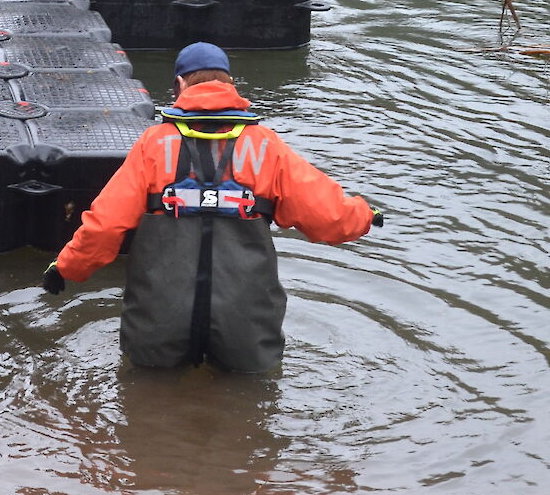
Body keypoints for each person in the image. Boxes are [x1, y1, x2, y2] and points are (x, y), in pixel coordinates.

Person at [41, 41, 381, 373]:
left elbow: (105, 226)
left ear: (179, 85)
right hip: (244, 325)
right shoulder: (266, 146)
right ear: (230, 83)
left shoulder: (153, 145)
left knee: (150, 400)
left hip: (160, 320)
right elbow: (330, 217)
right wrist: (366, 215)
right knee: (250, 409)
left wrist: (66, 268)